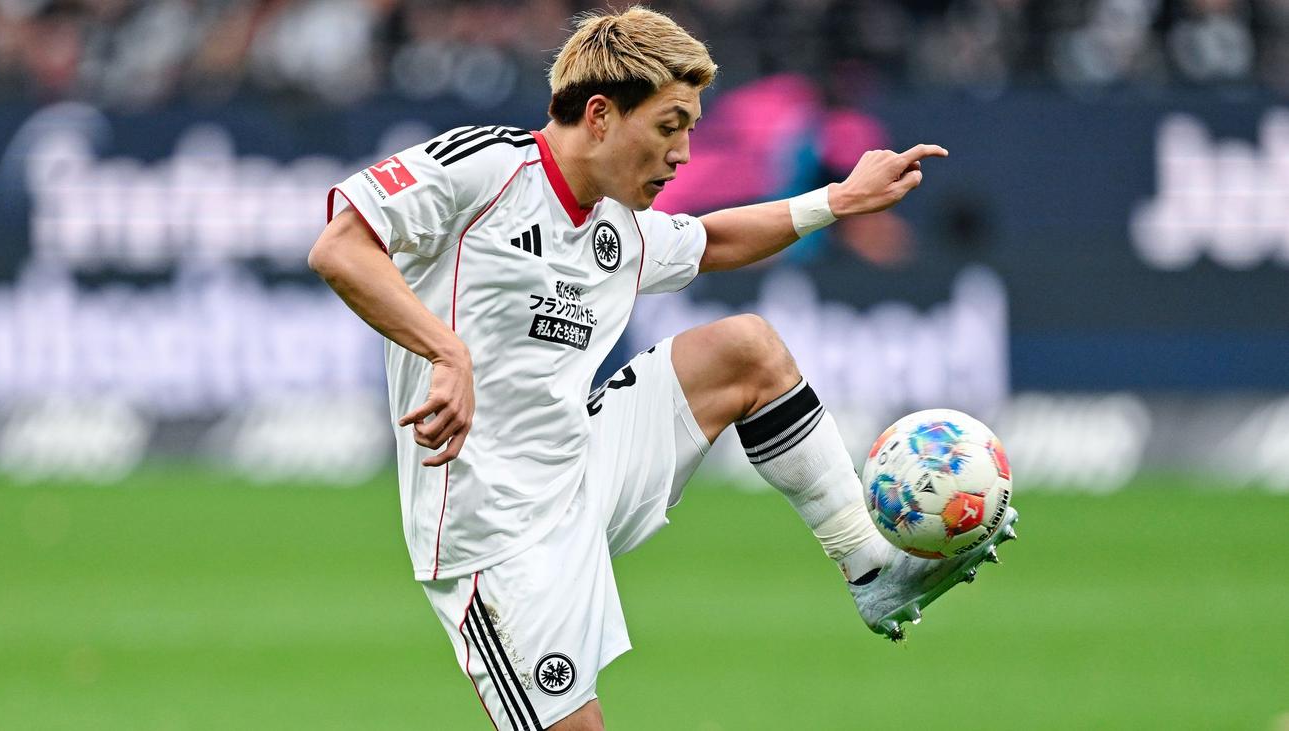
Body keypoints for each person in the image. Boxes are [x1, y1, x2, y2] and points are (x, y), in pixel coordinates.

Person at [309, 7, 1017, 730]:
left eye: (690, 130)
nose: (682, 154)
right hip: (493, 531)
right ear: (600, 115)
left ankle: (871, 569)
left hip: (585, 467)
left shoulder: (614, 224)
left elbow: (711, 240)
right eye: (669, 126)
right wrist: (445, 349)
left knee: (745, 349)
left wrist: (838, 201)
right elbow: (340, 247)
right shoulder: (488, 168)